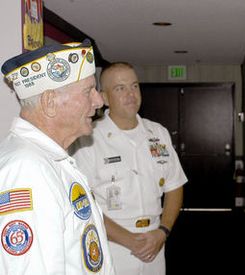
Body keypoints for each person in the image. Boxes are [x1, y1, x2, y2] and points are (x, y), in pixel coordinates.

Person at [0, 40, 115, 274]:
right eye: (88, 91)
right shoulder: (27, 170)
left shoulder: (49, 160)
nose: (99, 101)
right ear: (50, 102)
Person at [71, 62, 187, 275]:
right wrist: (131, 241)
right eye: (120, 88)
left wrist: (163, 231)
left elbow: (174, 186)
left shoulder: (158, 133)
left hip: (155, 242)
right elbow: (83, 205)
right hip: (113, 245)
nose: (130, 94)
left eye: (134, 86)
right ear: (104, 98)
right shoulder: (89, 139)